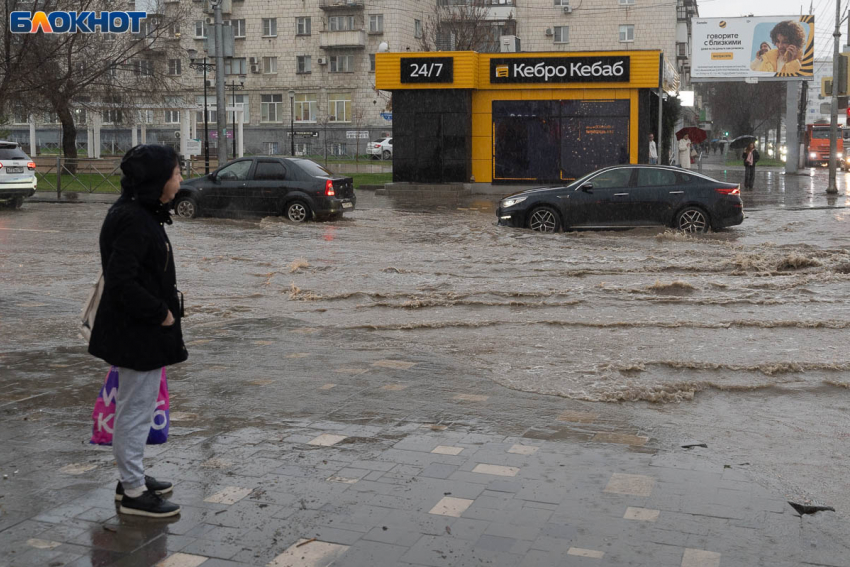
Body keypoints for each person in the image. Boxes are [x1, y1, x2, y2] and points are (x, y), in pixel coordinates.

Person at [88, 145, 188, 518]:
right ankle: (132, 492)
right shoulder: (133, 218)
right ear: (158, 180)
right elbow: (121, 281)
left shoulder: (141, 213)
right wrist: (160, 313)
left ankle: (133, 476)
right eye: (177, 173)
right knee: (134, 411)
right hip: (137, 333)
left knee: (138, 408)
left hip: (139, 332)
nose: (181, 180)